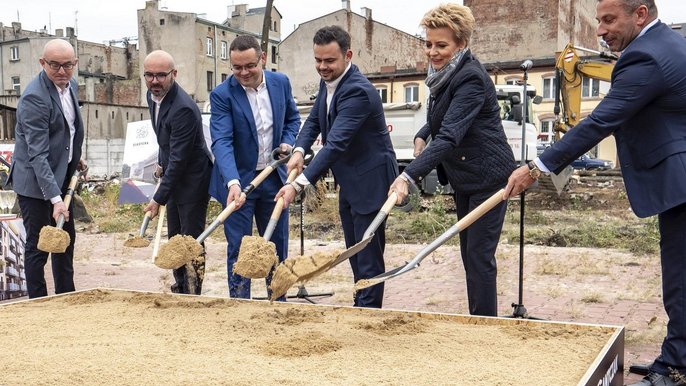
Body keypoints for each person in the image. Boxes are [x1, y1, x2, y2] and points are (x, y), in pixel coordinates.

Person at [503, 1, 686, 385]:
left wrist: (538, 166)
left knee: (681, 280)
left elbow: (602, 119)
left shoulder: (646, 57)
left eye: (608, 20)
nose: (600, 31)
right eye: (598, 21)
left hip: (681, 183)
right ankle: (675, 355)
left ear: (640, 14)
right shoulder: (670, 44)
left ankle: (676, 368)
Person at [388, 4, 514, 317]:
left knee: (479, 256)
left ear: (461, 44)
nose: (433, 51)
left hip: (489, 177)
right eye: (429, 44)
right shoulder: (444, 74)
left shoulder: (469, 77)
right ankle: (477, 318)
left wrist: (407, 176)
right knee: (468, 253)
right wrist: (421, 132)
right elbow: (441, 116)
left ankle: (483, 326)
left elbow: (449, 135)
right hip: (465, 177)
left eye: (441, 45)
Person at [275, 26, 398, 308]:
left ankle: (367, 314)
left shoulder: (358, 91)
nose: (322, 67)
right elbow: (315, 121)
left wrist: (298, 184)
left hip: (371, 181)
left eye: (329, 61)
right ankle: (362, 305)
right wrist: (298, 149)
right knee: (354, 252)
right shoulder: (329, 82)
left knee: (367, 254)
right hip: (351, 180)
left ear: (348, 55)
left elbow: (336, 145)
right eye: (318, 60)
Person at [208, 35, 300, 299]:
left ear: (263, 59)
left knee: (277, 245)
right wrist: (233, 183)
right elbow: (222, 142)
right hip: (239, 183)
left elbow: (293, 119)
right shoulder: (222, 95)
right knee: (239, 248)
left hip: (274, 179)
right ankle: (240, 305)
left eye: (249, 66)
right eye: (237, 68)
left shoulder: (280, 83)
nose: (243, 73)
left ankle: (277, 302)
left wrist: (287, 142)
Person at [7, 39, 87, 298]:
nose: (62, 71)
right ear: (43, 63)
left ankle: (66, 296)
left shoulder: (70, 85)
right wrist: (55, 200)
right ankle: (39, 303)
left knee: (64, 240)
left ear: (75, 64)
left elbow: (68, 130)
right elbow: (37, 155)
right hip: (34, 181)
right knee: (39, 245)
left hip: (61, 174)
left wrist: (75, 159)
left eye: (68, 65)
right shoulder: (34, 98)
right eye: (55, 65)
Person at [142, 50, 212, 295]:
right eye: (149, 75)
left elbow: (180, 159)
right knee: (174, 235)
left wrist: (157, 198)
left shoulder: (183, 108)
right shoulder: (153, 98)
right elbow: (165, 141)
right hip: (173, 173)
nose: (154, 81)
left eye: (161, 75)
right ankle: (180, 284)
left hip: (193, 179)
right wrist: (161, 163)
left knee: (191, 238)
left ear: (173, 74)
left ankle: (193, 289)